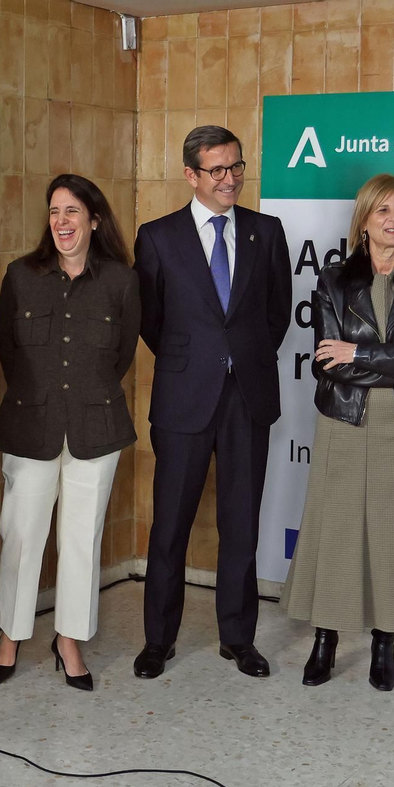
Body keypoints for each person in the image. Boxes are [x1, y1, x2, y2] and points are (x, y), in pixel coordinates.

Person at [132, 125, 293, 680]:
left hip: (247, 397)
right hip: (183, 399)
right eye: (218, 170)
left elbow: (278, 314)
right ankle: (158, 641)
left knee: (241, 525)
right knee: (170, 527)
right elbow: (150, 320)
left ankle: (238, 639)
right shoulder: (157, 237)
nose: (230, 179)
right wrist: (196, 360)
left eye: (236, 167)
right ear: (191, 175)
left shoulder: (266, 232)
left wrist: (237, 357)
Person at [283, 174, 394, 692]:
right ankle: (326, 640)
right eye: (382, 211)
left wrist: (359, 352)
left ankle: (384, 642)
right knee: (336, 533)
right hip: (343, 421)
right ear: (363, 219)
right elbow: (327, 366)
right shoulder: (333, 280)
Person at [0, 174, 139, 692]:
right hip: (31, 422)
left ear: (94, 220)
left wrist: (83, 392)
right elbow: (9, 351)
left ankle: (69, 640)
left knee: (80, 539)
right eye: (54, 211)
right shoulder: (20, 275)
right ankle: (10, 633)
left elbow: (119, 358)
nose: (61, 222)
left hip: (96, 426)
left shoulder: (121, 280)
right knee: (22, 534)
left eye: (72, 211)